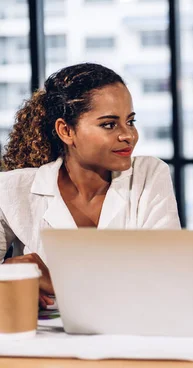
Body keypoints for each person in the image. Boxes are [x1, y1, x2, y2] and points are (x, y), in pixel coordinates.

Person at [0, 63, 181, 308]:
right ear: (66, 131)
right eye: (109, 124)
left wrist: (56, 284)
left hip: (132, 337)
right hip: (44, 342)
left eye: (130, 121)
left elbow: (169, 281)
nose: (128, 135)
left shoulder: (148, 175)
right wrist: (10, 280)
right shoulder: (13, 189)